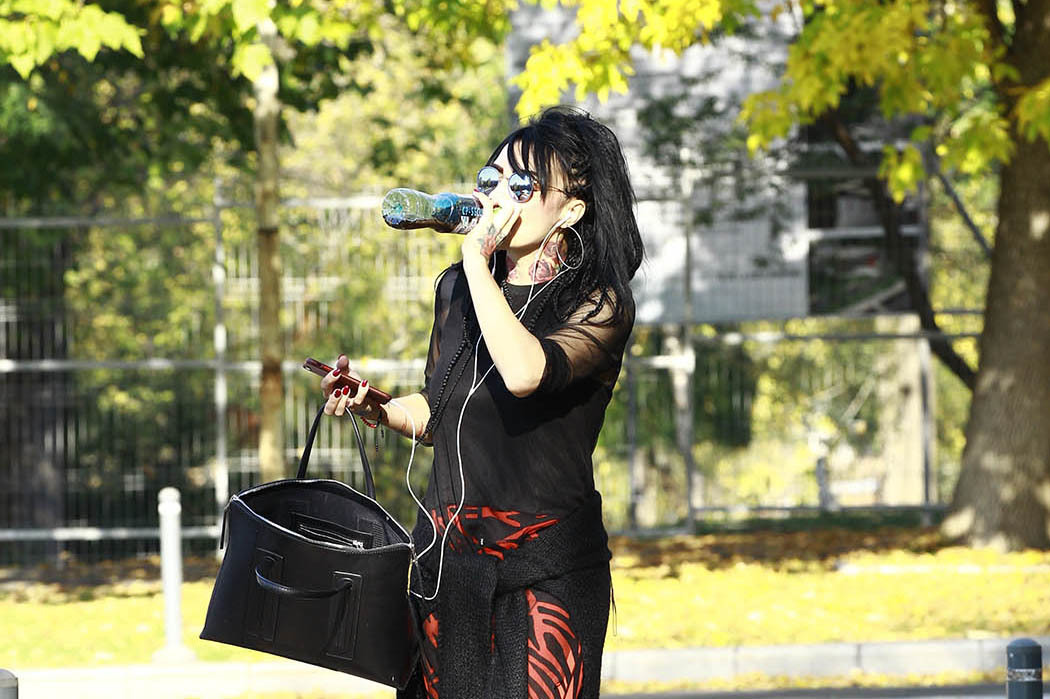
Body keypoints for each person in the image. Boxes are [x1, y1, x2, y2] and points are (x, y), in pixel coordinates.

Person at [320, 105, 644, 699]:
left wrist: (477, 265)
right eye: (490, 179)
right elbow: (439, 410)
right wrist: (376, 406)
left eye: (522, 187)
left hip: (543, 571)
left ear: (570, 210)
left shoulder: (598, 303)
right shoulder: (457, 289)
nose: (496, 195)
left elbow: (524, 373)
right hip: (447, 565)